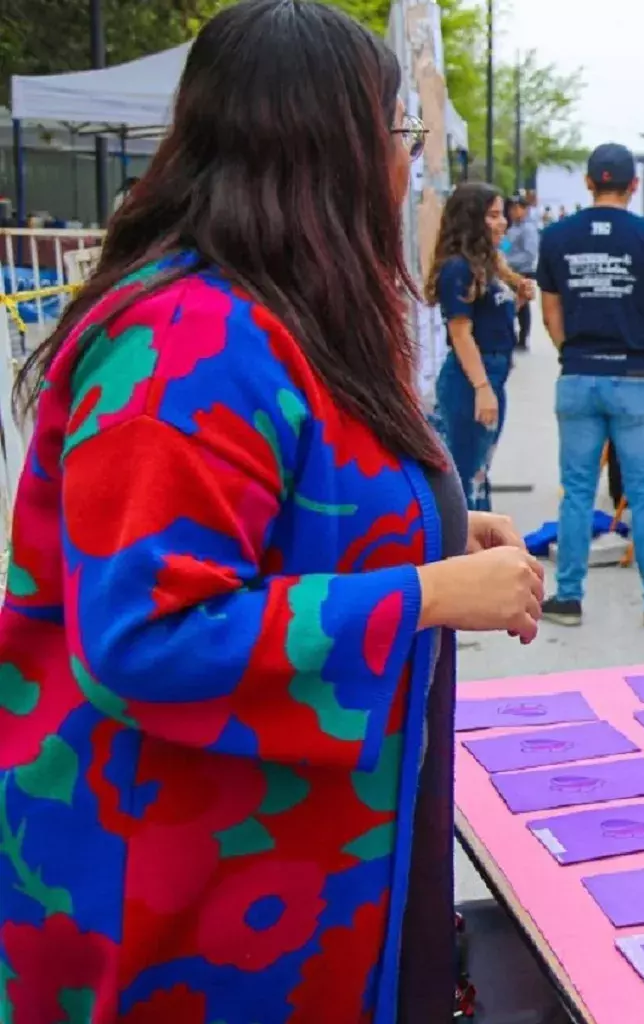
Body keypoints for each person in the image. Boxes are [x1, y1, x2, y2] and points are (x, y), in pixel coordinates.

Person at [0, 2, 548, 1019]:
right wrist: (424, 591)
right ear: (328, 148)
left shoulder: (278, 310)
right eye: (401, 135)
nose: (410, 168)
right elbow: (147, 632)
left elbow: (290, 509)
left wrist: (432, 534)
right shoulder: (186, 338)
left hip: (298, 870)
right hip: (190, 899)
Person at [536, 142, 644, 628]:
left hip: (579, 375)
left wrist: (573, 352)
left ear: (589, 182)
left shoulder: (557, 236)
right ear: (633, 185)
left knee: (578, 492)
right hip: (634, 377)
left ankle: (566, 598)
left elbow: (550, 311)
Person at [430, 182, 532, 511]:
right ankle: (466, 553)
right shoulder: (457, 269)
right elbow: (461, 333)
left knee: (479, 471)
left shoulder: (487, 266)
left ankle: (480, 550)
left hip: (492, 374)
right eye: (493, 215)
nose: (503, 222)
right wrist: (482, 386)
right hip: (470, 380)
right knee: (465, 477)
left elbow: (491, 322)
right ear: (473, 220)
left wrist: (517, 299)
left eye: (501, 215)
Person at [504, 195, 542, 350]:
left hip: (522, 270)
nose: (514, 211)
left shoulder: (528, 229)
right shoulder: (511, 228)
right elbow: (504, 247)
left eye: (518, 207)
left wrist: (507, 261)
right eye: (512, 208)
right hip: (509, 271)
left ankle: (523, 338)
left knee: (522, 306)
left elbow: (529, 254)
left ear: (525, 209)